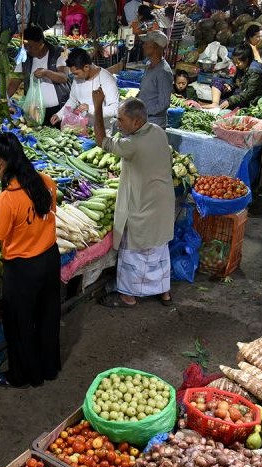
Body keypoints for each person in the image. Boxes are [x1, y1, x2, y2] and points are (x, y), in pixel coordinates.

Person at [0, 133, 60, 389]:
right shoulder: (45, 182)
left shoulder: (7, 199)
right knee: (47, 317)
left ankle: (22, 376)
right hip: (50, 260)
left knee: (20, 326)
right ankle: (49, 368)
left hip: (23, 270)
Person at [93, 93, 175, 308]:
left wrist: (97, 107)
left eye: (121, 119)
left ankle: (128, 296)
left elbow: (101, 140)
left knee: (134, 250)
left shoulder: (131, 144)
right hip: (163, 202)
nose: (117, 123)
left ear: (137, 122)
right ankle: (164, 292)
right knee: (159, 249)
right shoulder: (157, 131)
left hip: (142, 206)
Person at [8, 26, 70, 128]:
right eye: (26, 46)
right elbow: (14, 82)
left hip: (59, 110)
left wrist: (46, 73)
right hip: (35, 110)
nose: (28, 49)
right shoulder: (25, 59)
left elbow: (63, 77)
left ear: (41, 42)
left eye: (31, 46)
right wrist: (4, 99)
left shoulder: (58, 53)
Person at [52, 48, 119, 130]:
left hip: (103, 129)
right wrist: (59, 114)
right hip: (82, 128)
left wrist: (89, 108)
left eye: (76, 73)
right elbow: (73, 100)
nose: (74, 77)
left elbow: (115, 108)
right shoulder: (78, 78)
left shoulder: (106, 79)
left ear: (86, 67)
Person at [205, 46, 262, 110]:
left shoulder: (255, 72)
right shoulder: (242, 66)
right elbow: (237, 82)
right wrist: (230, 86)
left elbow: (249, 94)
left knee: (223, 103)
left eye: (238, 63)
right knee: (216, 81)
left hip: (250, 99)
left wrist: (230, 101)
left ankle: (218, 104)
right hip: (240, 92)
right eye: (235, 63)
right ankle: (215, 103)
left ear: (246, 59)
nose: (236, 65)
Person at [137, 31, 173, 127]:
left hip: (154, 125)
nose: (143, 46)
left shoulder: (163, 72)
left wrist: (143, 112)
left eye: (146, 43)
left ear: (156, 47)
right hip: (143, 120)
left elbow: (164, 104)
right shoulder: (148, 65)